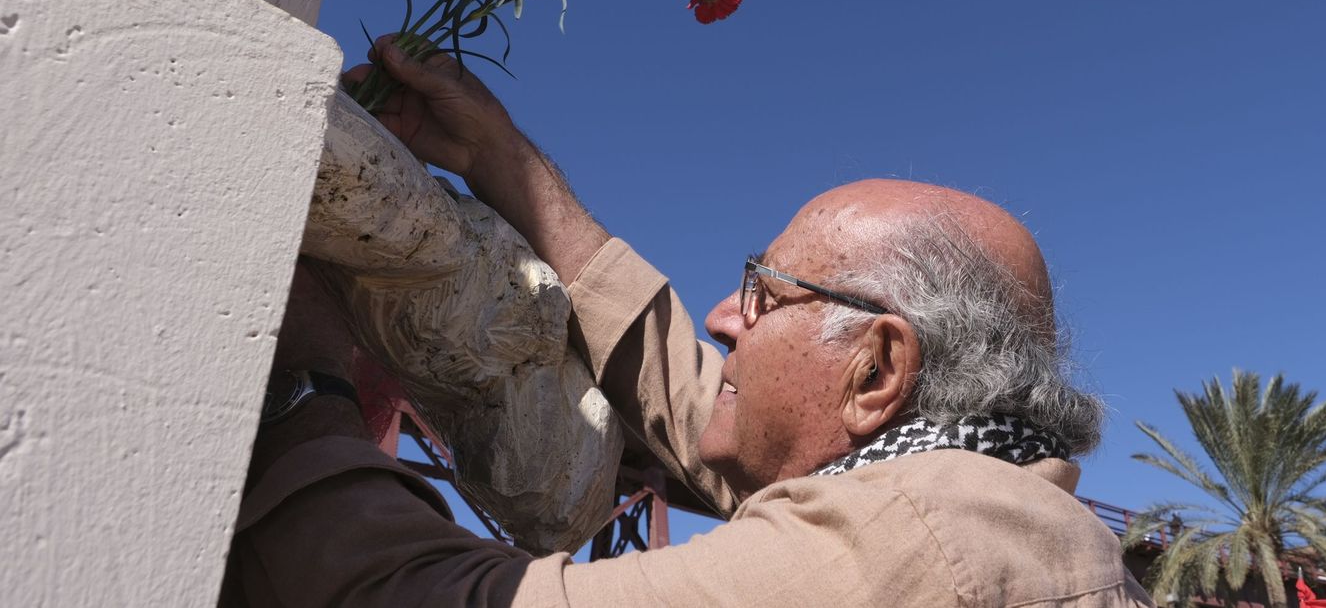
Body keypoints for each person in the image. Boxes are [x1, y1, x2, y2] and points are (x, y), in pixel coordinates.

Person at [222, 38, 1154, 607]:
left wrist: (311, 379)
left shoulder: (918, 545)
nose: (722, 318)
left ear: (875, 371)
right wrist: (500, 158)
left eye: (764, 292)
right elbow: (685, 387)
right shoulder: (974, 494)